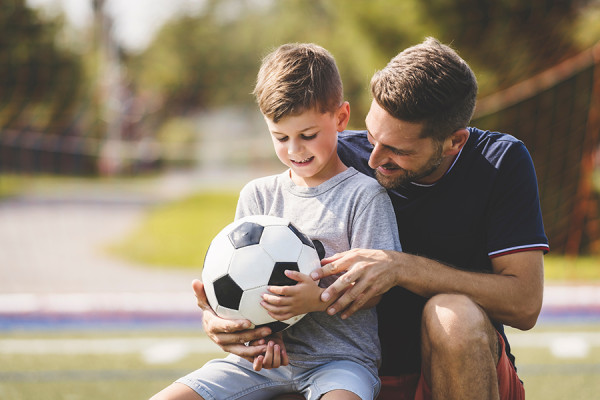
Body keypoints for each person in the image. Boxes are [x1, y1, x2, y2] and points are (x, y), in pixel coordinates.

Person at [193, 37, 549, 400]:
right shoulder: (331, 155)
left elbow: (525, 304)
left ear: (453, 142)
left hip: (457, 373)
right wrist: (222, 319)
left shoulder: (500, 162)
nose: (374, 158)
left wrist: (402, 267)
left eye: (398, 149)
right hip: (347, 374)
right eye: (372, 134)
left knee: (453, 315)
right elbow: (256, 259)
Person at [150, 43, 401, 400]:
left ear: (341, 118)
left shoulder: (364, 196)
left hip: (341, 362)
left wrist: (315, 299)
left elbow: (378, 288)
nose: (295, 150)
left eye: (308, 135)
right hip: (260, 364)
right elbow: (244, 287)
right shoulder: (258, 196)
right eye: (280, 137)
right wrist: (260, 336)